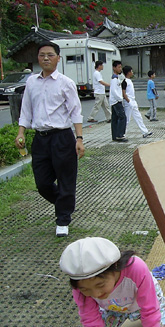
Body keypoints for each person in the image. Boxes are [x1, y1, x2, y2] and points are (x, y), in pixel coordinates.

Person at [59, 237, 165, 327]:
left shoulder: (136, 268)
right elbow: (91, 320)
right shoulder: (80, 283)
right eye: (86, 290)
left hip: (147, 306)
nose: (95, 294)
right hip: (113, 309)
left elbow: (150, 312)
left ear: (115, 268)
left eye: (100, 285)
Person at [15, 41, 84, 237]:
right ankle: (65, 204)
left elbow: (76, 112)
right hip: (41, 139)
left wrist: (79, 138)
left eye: (50, 55)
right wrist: (21, 132)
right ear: (37, 58)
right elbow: (26, 109)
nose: (46, 58)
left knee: (66, 180)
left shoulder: (66, 83)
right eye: (42, 55)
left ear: (58, 58)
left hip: (62, 138)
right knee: (42, 183)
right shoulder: (31, 82)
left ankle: (63, 219)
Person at [122, 66, 153, 139]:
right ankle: (122, 134)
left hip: (133, 101)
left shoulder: (129, 80)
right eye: (131, 71)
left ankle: (145, 132)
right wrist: (128, 101)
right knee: (127, 119)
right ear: (129, 72)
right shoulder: (125, 81)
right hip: (128, 102)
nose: (132, 73)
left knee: (138, 117)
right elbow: (123, 93)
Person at [110, 60, 128, 142]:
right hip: (116, 101)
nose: (120, 69)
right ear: (114, 68)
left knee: (115, 118)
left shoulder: (117, 78)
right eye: (118, 67)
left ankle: (115, 136)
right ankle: (120, 135)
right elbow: (114, 91)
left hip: (114, 100)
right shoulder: (114, 79)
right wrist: (120, 98)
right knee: (122, 117)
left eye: (121, 67)